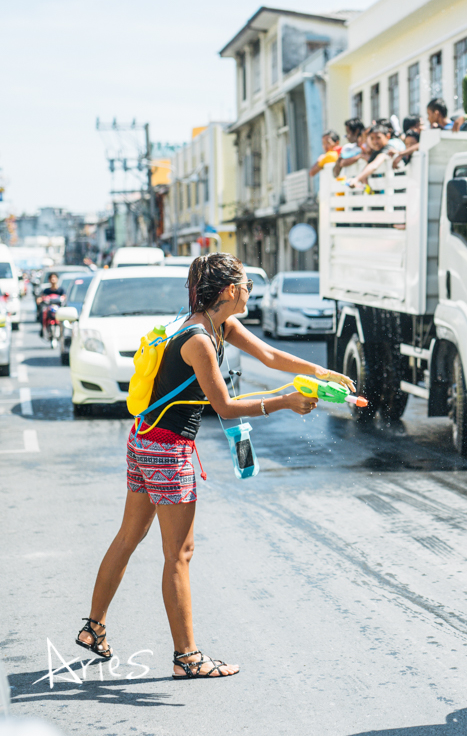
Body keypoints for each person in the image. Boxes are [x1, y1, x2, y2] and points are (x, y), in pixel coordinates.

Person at [74, 254, 356, 679]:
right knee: (179, 554)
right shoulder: (200, 340)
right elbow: (223, 404)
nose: (250, 291)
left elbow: (270, 355)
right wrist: (285, 402)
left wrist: (324, 373)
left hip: (145, 439)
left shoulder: (214, 324)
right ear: (229, 291)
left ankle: (93, 627)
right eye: (246, 284)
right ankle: (186, 657)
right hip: (167, 450)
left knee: (130, 536)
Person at [36, 272, 64, 338]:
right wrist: (40, 300)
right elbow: (41, 297)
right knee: (42, 314)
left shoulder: (61, 290)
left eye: (54, 278)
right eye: (51, 278)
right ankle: (43, 330)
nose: (53, 279)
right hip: (49, 308)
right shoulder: (46, 290)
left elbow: (64, 298)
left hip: (58, 309)